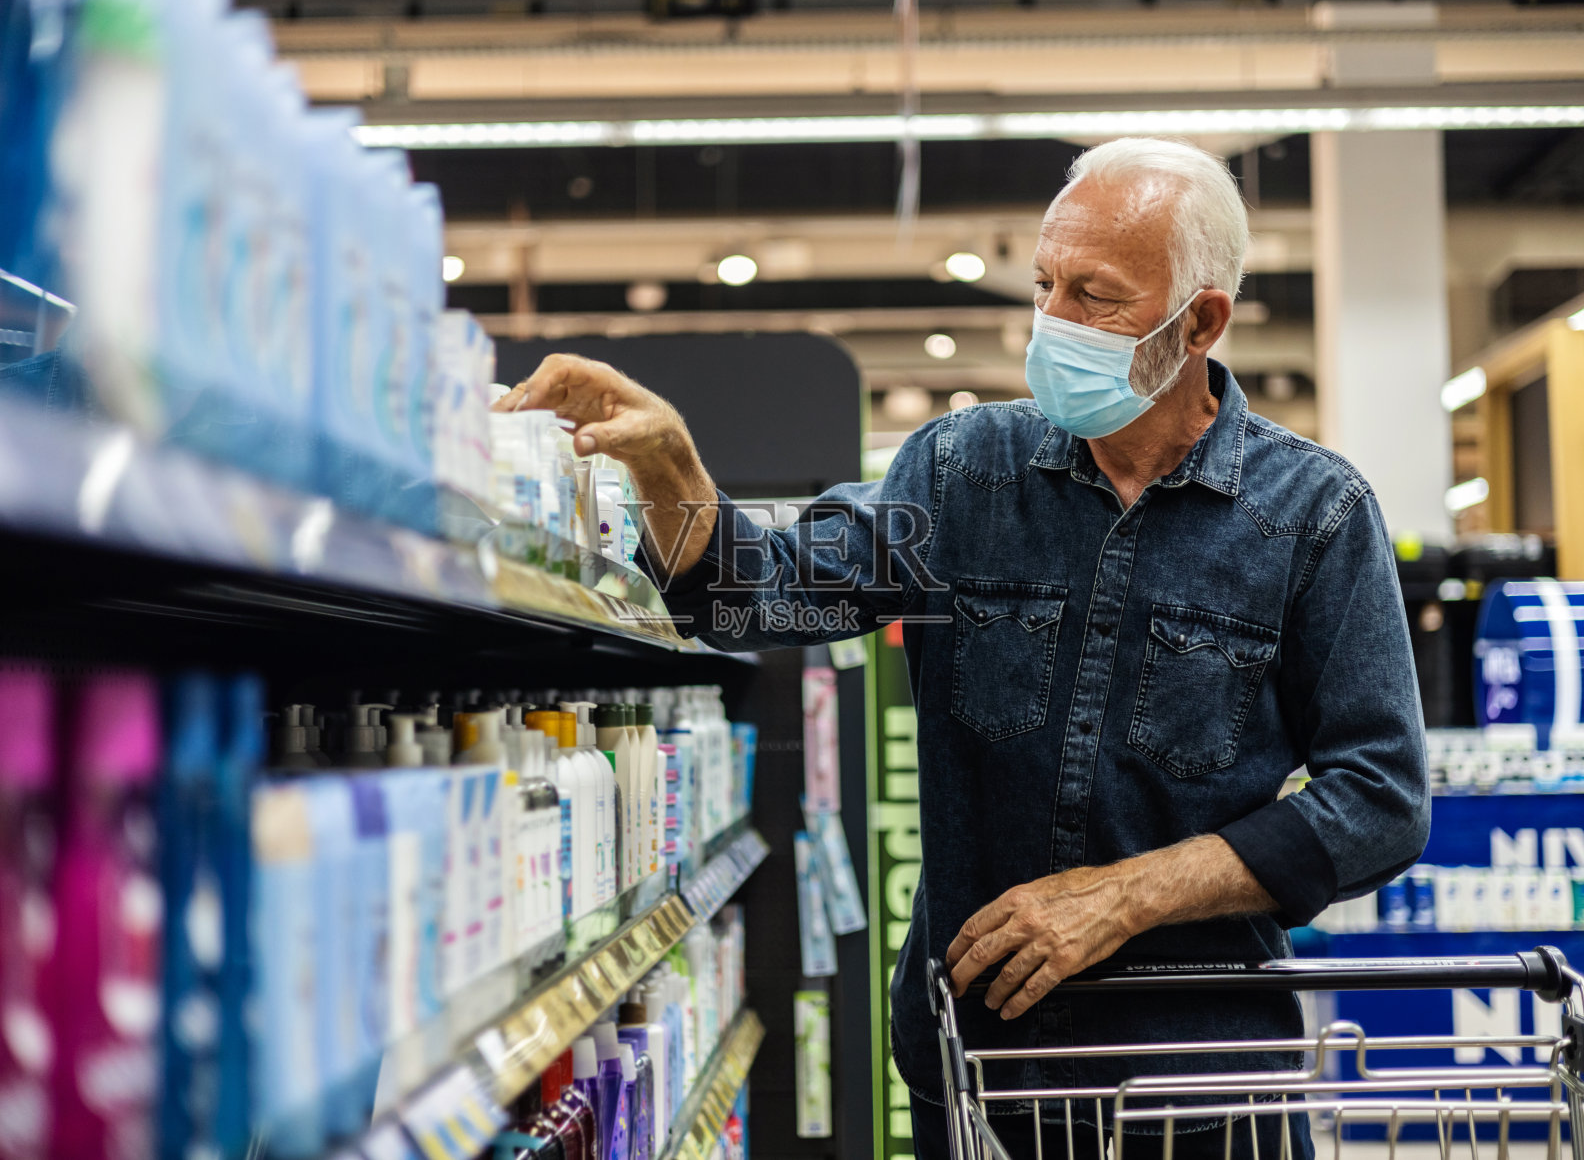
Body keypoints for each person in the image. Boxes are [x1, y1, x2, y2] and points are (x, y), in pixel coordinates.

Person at [494, 137, 1430, 1159]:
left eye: (1096, 296)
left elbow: (1380, 800)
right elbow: (757, 601)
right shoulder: (960, 474)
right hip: (979, 1072)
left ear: (1200, 319)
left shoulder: (1313, 517)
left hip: (1201, 1083)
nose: (1053, 324)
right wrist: (674, 468)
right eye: (1044, 286)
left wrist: (1124, 895)